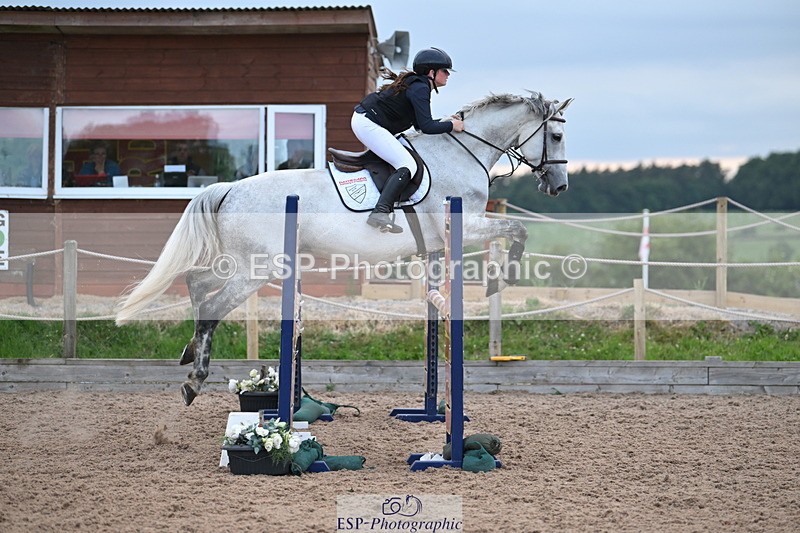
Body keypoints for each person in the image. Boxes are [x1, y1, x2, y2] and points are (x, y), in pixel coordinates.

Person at [352, 47, 464, 233]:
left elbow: (421, 125)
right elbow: (427, 128)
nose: (447, 75)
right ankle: (380, 212)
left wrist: (447, 122)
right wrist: (452, 126)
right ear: (431, 72)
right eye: (445, 70)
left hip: (367, 121)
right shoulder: (420, 88)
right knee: (407, 165)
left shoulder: (418, 85)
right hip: (368, 124)